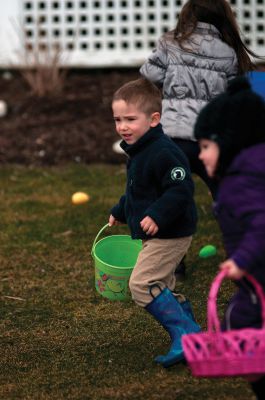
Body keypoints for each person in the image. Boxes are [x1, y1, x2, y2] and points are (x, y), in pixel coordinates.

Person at [140, 0, 262, 277]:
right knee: (228, 198)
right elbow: (235, 94)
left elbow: (150, 74)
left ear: (187, 16)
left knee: (170, 197)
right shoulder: (229, 53)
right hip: (210, 143)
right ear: (223, 19)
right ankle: (243, 255)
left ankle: (172, 263)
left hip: (172, 141)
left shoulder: (170, 43)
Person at [109, 77, 201, 368]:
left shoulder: (163, 151)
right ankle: (192, 333)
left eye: (130, 119)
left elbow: (181, 189)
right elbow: (138, 190)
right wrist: (120, 210)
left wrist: (158, 215)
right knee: (161, 284)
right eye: (117, 119)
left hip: (171, 232)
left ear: (153, 119)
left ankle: (183, 334)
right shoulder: (139, 150)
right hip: (157, 232)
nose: (122, 126)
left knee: (142, 284)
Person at [194, 76, 265, 399]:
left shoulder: (239, 184)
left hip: (258, 277)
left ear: (231, 141)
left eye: (206, 146)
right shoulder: (254, 172)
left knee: (240, 319)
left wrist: (241, 259)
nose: (200, 156)